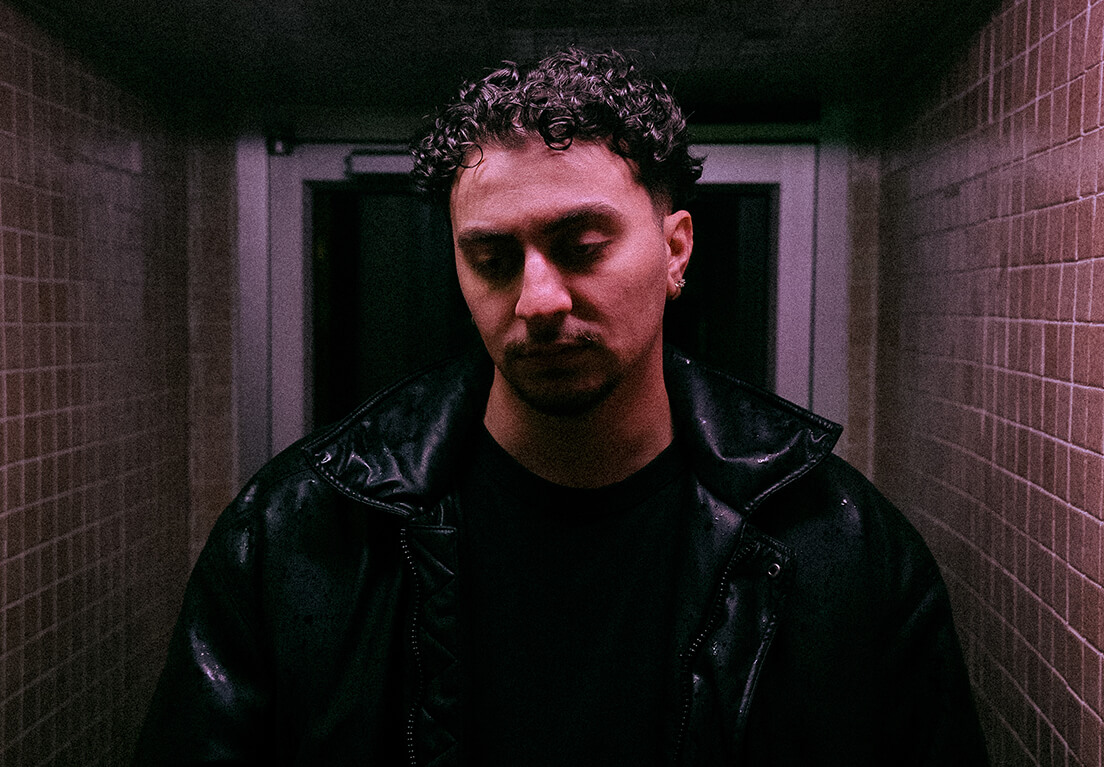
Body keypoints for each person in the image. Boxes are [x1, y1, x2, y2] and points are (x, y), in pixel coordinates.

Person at [133, 48, 989, 765]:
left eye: (581, 246)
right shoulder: (298, 535)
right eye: (493, 258)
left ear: (676, 251)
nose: (538, 298)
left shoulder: (841, 548)